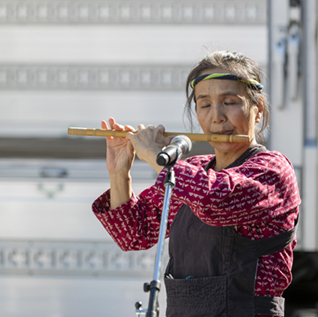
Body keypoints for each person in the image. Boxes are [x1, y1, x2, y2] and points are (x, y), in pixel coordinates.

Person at [92, 50, 301, 317]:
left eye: (229, 102)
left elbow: (215, 199)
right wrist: (119, 172)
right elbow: (135, 232)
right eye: (204, 105)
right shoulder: (191, 170)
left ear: (257, 110)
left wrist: (157, 157)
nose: (217, 117)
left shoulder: (272, 169)